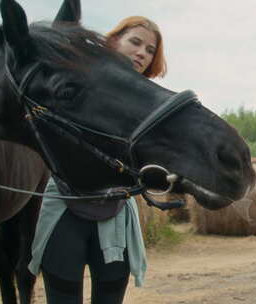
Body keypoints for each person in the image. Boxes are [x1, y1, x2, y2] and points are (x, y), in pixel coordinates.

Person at [29, 16, 167, 304]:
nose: (142, 52)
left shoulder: (150, 104)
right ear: (114, 40)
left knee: (109, 298)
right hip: (65, 205)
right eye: (136, 42)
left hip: (116, 210)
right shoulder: (71, 84)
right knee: (62, 296)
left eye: (150, 50)